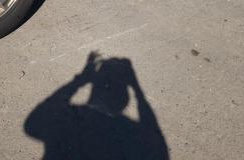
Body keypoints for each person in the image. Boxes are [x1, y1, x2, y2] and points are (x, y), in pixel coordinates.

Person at [24, 51, 169, 160]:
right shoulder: (128, 134)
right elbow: (156, 146)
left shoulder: (70, 121)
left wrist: (81, 79)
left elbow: (33, 122)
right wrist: (137, 89)